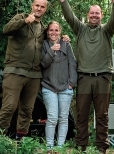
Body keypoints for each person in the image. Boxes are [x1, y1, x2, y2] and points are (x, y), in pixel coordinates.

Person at [56, 0, 114, 154]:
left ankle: (101, 148)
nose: (94, 16)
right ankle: (81, 147)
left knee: (102, 115)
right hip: (84, 78)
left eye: (97, 13)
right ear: (87, 14)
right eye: (92, 13)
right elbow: (70, 17)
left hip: (103, 78)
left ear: (101, 16)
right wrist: (63, 0)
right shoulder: (81, 29)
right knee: (82, 115)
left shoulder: (107, 30)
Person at [0, 0, 69, 140]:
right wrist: (24, 22)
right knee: (9, 106)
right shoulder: (21, 18)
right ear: (32, 6)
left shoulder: (43, 29)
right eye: (37, 5)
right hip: (15, 71)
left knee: (27, 111)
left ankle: (19, 140)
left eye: (42, 7)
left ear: (45, 9)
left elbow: (53, 38)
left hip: (35, 75)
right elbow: (5, 30)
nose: (39, 9)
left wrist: (64, 38)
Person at [40, 21, 78, 154]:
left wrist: (71, 83)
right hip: (49, 86)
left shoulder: (66, 44)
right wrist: (51, 51)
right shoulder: (44, 45)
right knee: (52, 118)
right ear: (47, 32)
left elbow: (72, 64)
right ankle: (49, 147)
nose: (53, 33)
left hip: (65, 88)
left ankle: (60, 148)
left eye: (56, 30)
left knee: (63, 118)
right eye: (51, 30)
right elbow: (43, 64)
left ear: (60, 32)